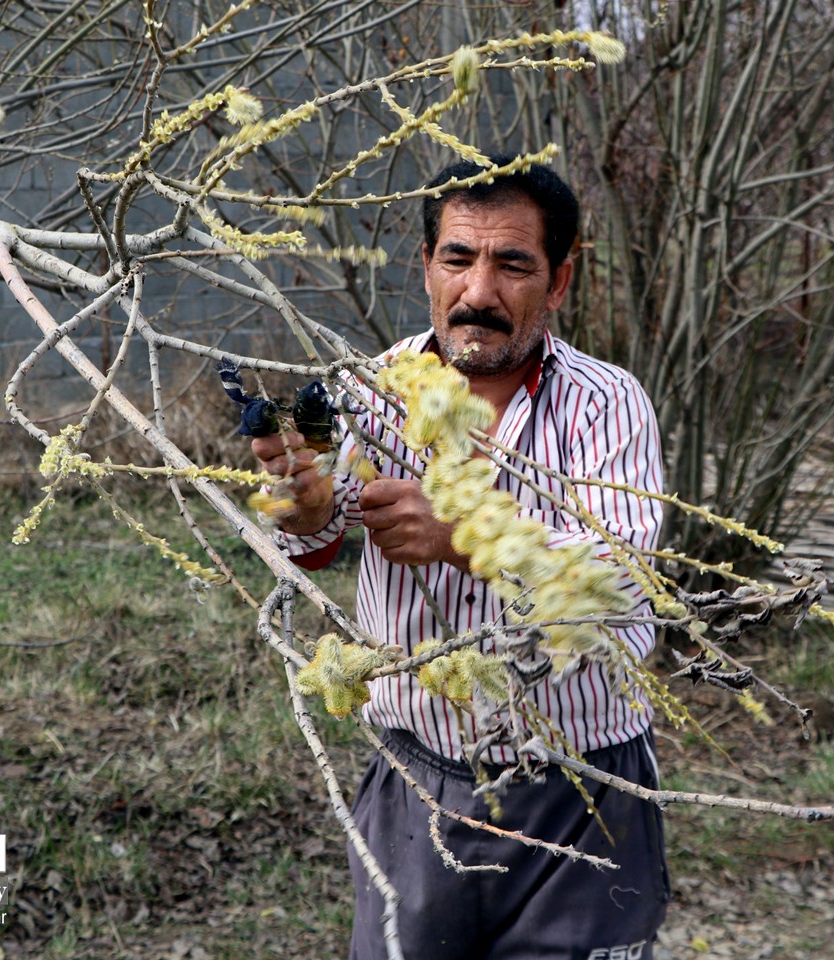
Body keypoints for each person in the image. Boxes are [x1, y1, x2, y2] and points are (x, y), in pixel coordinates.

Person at [252, 156, 668, 960]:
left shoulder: (608, 404)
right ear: (426, 267)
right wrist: (300, 505)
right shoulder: (370, 391)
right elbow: (319, 538)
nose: (479, 293)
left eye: (513, 264)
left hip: (584, 786)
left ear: (560, 280)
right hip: (418, 785)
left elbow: (619, 577)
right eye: (457, 259)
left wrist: (459, 535)